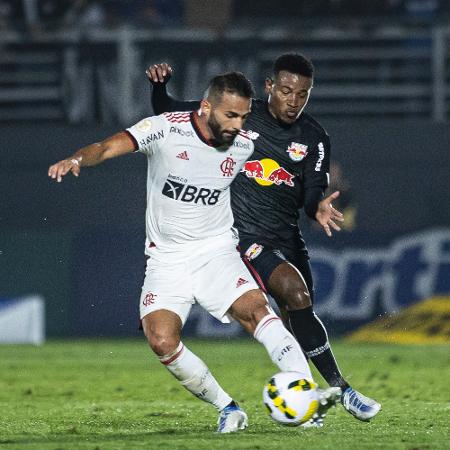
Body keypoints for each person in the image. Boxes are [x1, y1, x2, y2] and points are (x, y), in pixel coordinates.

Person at [48, 71, 340, 433]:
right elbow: (106, 147)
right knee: (161, 340)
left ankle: (304, 396)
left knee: (256, 312)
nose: (238, 125)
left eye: (245, 117)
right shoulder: (165, 129)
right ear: (206, 107)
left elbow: (283, 175)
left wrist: (315, 204)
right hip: (166, 258)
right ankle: (228, 407)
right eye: (230, 116)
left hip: (216, 250)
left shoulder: (245, 144)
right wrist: (78, 159)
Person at [147, 54, 381, 422]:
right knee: (293, 291)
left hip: (286, 237)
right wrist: (159, 88)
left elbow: (311, 193)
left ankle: (307, 398)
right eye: (286, 90)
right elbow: (172, 112)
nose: (294, 101)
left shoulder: (314, 138)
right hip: (243, 235)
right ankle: (343, 390)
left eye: (302, 94)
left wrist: (318, 205)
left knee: (297, 315)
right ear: (270, 86)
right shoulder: (239, 113)